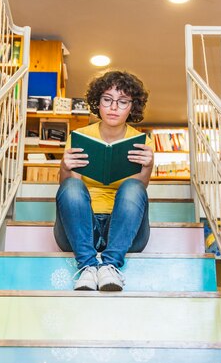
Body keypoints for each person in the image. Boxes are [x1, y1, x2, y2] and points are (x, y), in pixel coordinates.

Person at [55, 71, 154, 291]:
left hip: (123, 232)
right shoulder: (79, 136)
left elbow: (139, 189)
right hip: (81, 230)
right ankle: (88, 266)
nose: (113, 107)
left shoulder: (142, 141)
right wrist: (64, 167)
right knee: (71, 185)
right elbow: (68, 190)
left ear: (132, 107)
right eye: (107, 99)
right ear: (97, 102)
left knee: (133, 187)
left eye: (122, 101)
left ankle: (110, 265)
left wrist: (147, 167)